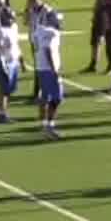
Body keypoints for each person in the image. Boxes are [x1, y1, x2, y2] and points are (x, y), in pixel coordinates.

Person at [34, 8, 66, 139]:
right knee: (57, 98)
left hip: (41, 68)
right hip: (49, 69)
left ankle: (44, 123)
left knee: (45, 96)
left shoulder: (40, 30)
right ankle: (49, 126)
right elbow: (48, 49)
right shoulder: (53, 33)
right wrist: (54, 70)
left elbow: (36, 42)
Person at [0, 7, 23, 125]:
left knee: (10, 88)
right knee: (5, 89)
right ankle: (2, 113)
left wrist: (21, 60)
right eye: (9, 17)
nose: (11, 19)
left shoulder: (14, 27)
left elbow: (16, 44)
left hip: (14, 61)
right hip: (5, 62)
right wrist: (2, 65)